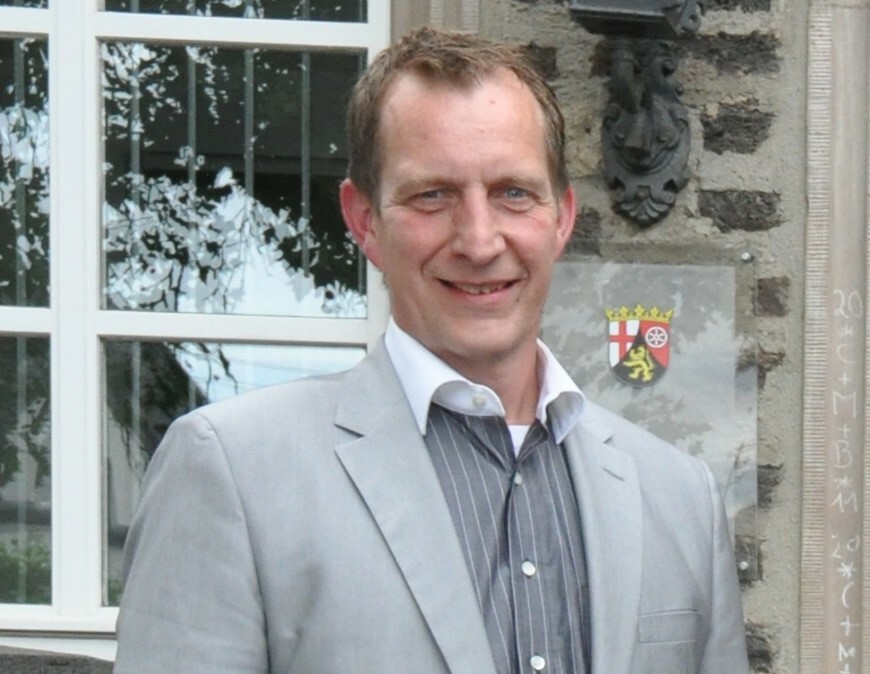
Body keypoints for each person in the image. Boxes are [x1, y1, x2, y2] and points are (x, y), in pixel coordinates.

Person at [114, 27, 749, 674]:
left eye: (513, 192)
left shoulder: (680, 497)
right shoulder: (232, 473)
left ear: (561, 217)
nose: (478, 241)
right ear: (364, 221)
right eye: (432, 195)